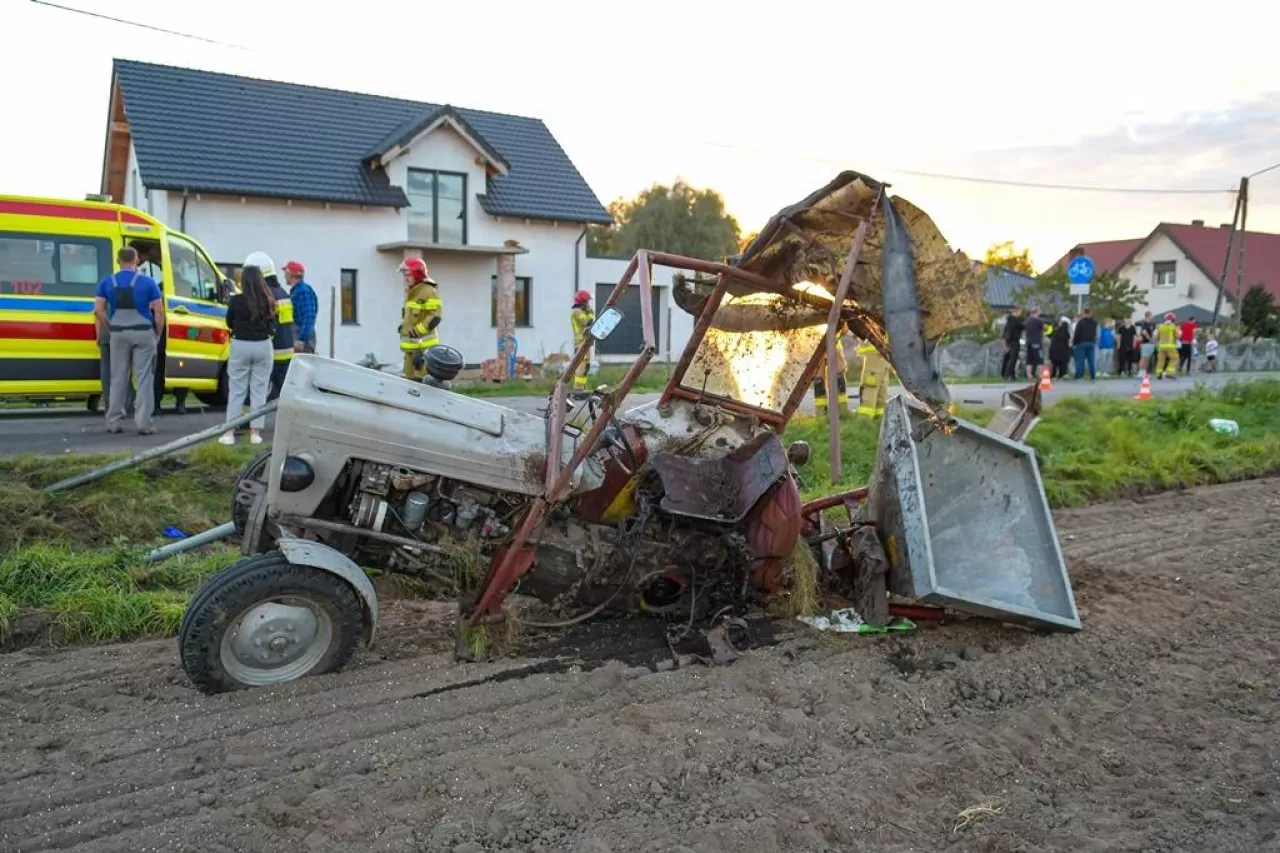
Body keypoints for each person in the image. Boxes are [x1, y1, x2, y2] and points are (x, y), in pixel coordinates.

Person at [95, 246, 164, 435]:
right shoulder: (149, 282)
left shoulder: (107, 282)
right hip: (143, 332)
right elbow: (159, 312)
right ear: (136, 261)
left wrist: (109, 326)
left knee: (118, 377)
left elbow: (99, 309)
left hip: (118, 333)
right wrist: (157, 333)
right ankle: (143, 424)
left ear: (118, 261)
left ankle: (114, 422)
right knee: (143, 378)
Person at [219, 261, 276, 446]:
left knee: (237, 390)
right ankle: (255, 433)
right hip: (263, 346)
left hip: (241, 344)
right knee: (259, 390)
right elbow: (272, 326)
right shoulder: (268, 300)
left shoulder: (236, 300)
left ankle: (229, 432)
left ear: (243, 280)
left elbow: (229, 322)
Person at [247, 253, 295, 401]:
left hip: (271, 353)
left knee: (254, 393)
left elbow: (266, 325)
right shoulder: (283, 294)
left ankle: (246, 422)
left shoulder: (267, 296)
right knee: (288, 396)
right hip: (287, 354)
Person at [398, 258, 442, 381]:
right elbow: (411, 316)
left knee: (422, 383)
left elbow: (435, 317)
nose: (405, 278)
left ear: (416, 274)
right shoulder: (412, 291)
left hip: (422, 350)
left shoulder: (429, 291)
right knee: (408, 382)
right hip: (410, 350)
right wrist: (404, 327)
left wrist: (417, 331)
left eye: (407, 274)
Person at [283, 260, 318, 354]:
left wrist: (302, 339)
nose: (284, 276)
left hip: (302, 344)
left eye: (285, 273)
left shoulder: (303, 291)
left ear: (291, 274)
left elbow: (309, 316)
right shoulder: (298, 291)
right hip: (298, 339)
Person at [814, 331, 850, 415]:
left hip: (829, 344)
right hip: (819, 344)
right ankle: (822, 412)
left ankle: (840, 411)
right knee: (819, 380)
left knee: (837, 377)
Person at [855, 336, 890, 418]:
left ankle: (870, 420)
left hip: (877, 361)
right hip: (879, 361)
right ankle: (873, 420)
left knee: (874, 391)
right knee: (876, 391)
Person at [569, 290, 595, 395]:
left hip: (585, 342)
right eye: (587, 301)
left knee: (586, 366)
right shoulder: (577, 312)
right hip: (581, 342)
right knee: (582, 365)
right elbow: (588, 322)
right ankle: (578, 390)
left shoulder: (582, 311)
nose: (588, 303)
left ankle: (582, 389)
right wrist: (590, 312)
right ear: (582, 302)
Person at [1072, 308, 1099, 381]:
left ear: (1084, 314)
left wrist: (1074, 343)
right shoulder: (1094, 323)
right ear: (1090, 313)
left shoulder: (1080, 322)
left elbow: (1077, 333)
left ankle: (1078, 376)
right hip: (1091, 343)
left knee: (1080, 360)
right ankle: (1093, 376)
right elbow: (1096, 334)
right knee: (1091, 360)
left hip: (1081, 343)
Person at [1000, 306, 1025, 380]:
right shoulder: (1014, 319)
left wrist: (1004, 339)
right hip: (1014, 340)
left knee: (1010, 357)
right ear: (1016, 311)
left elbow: (1006, 330)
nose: (1020, 314)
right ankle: (1008, 374)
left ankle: (1010, 374)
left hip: (1009, 340)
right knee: (1013, 358)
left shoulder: (1009, 320)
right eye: (1020, 312)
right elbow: (1022, 327)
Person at [1155, 311, 1180, 379]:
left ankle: (1158, 374)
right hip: (1170, 346)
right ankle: (1169, 373)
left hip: (1161, 346)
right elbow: (1178, 336)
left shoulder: (1161, 327)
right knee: (1175, 358)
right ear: (1173, 319)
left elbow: (1156, 338)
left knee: (1161, 360)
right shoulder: (1173, 326)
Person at [1023, 307, 1045, 381]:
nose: (1039, 314)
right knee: (1039, 360)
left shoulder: (1026, 321)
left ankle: (1029, 375)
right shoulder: (1038, 321)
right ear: (1036, 313)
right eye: (1038, 313)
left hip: (1029, 342)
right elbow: (1044, 328)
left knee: (1029, 360)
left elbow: (1025, 331)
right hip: (1037, 342)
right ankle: (1039, 375)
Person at [1136, 310, 1156, 378]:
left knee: (1147, 358)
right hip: (1145, 342)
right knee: (1144, 357)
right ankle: (1140, 372)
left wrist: (1153, 339)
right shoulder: (1144, 323)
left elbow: (1152, 332)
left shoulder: (1151, 324)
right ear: (1148, 315)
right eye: (1151, 315)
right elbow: (1144, 332)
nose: (1152, 316)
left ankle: (1144, 371)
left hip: (1150, 343)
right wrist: (1149, 338)